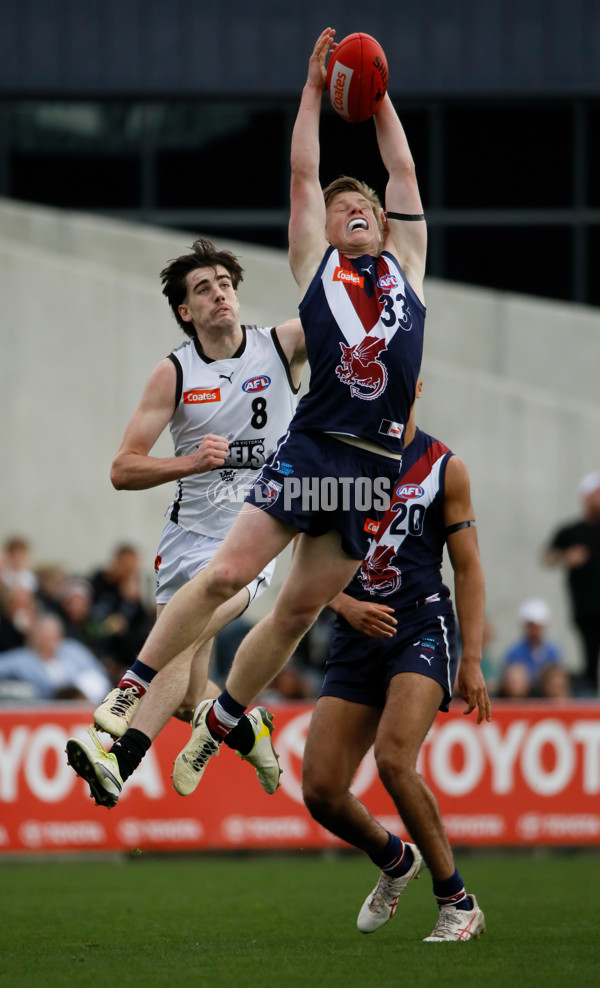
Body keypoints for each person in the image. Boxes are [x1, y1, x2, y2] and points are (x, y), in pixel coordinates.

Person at [78, 25, 427, 805]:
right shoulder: (318, 273)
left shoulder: (409, 269)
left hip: (369, 471)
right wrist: (313, 93)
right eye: (338, 210)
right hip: (310, 450)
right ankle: (128, 696)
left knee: (299, 611)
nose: (348, 210)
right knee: (229, 575)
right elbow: (305, 173)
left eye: (359, 204)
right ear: (327, 231)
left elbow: (400, 166)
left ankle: (225, 721)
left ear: (381, 218)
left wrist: (375, 95)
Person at [65, 237, 306, 807]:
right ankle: (248, 730)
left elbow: (343, 314)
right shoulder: (173, 372)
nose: (219, 294)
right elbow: (123, 469)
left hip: (253, 537)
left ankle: (119, 761)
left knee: (184, 635)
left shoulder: (281, 345)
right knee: (184, 695)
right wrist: (188, 462)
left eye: (225, 284)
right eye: (204, 289)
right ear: (185, 311)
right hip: (185, 539)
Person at [301, 385, 489, 944]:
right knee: (321, 791)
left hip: (419, 626)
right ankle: (394, 860)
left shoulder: (444, 467)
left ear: (416, 388)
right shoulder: (338, 458)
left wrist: (472, 660)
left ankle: (458, 903)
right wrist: (343, 602)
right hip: (355, 635)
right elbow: (302, 558)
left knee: (394, 758)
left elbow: (469, 569)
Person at [543, 471, 600, 694]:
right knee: (590, 657)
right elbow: (546, 557)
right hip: (587, 609)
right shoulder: (572, 531)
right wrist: (567, 557)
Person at [0, 612, 111, 702]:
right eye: (44, 635)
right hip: (43, 711)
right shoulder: (22, 659)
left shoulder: (73, 650)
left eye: (52, 635)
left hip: (82, 707)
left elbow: (98, 673)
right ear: (34, 636)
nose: (48, 641)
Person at [497, 598, 562, 697]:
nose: (534, 629)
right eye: (531, 625)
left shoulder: (553, 651)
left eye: (537, 625)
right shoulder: (514, 651)